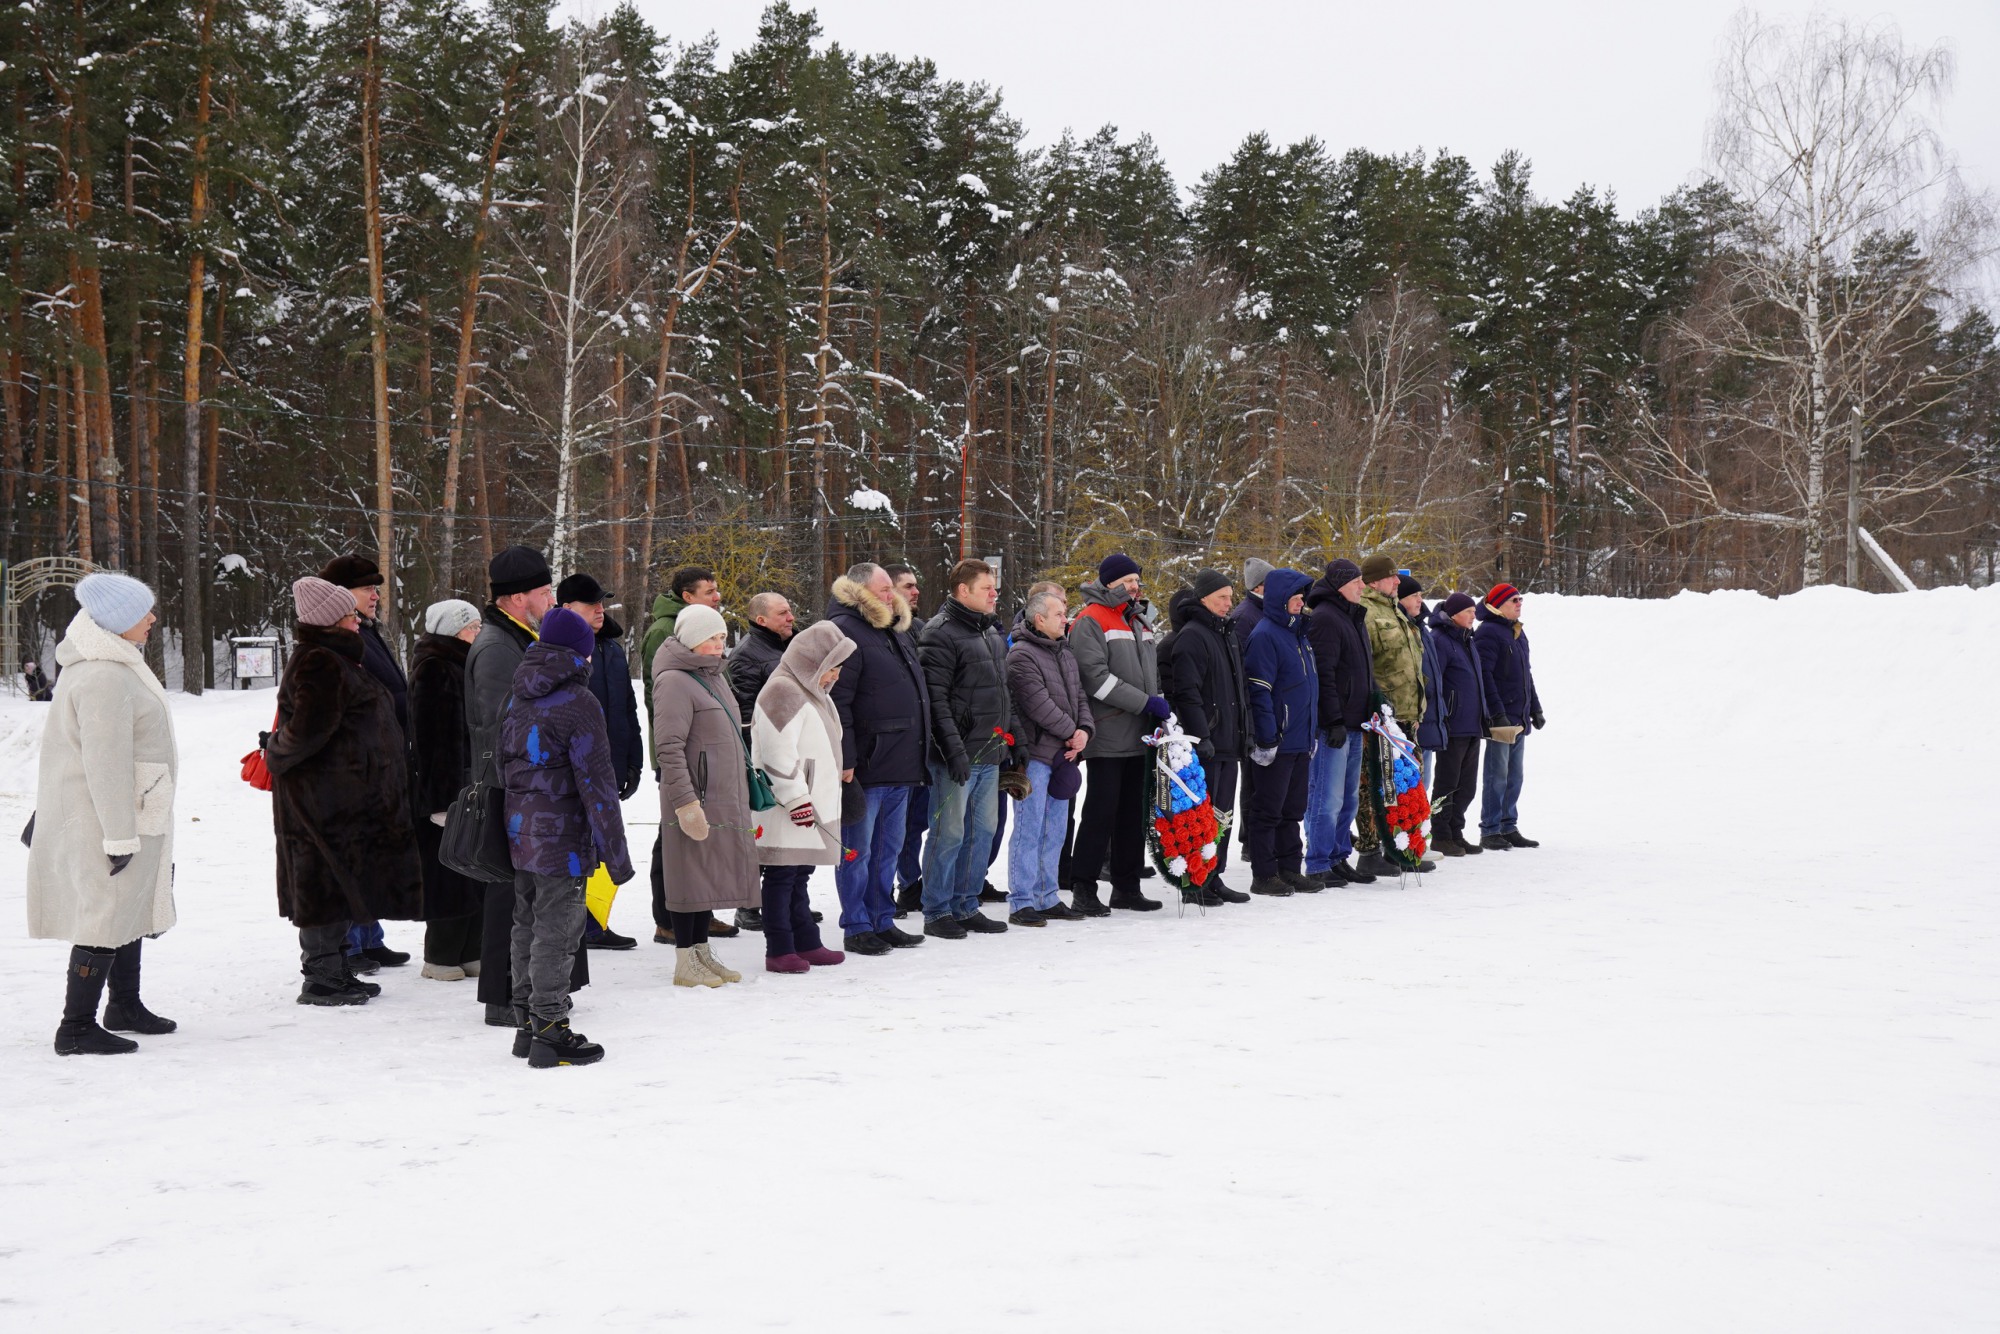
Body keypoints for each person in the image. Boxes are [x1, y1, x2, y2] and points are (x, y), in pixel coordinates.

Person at [26, 573, 178, 1054]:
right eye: (143, 612)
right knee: (103, 914)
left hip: (131, 810)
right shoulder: (103, 675)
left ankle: (124, 1005)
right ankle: (75, 1028)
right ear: (115, 621)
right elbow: (104, 761)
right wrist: (119, 835)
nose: (153, 618)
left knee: (126, 909)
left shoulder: (114, 663)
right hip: (108, 818)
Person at [267, 577, 424, 1005]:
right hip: (322, 799)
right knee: (322, 884)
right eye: (350, 614)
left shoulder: (337, 657)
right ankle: (320, 977)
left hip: (343, 796)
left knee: (340, 884)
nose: (358, 620)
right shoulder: (320, 661)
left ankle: (336, 969)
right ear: (331, 620)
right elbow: (304, 732)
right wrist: (274, 752)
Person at [497, 607, 634, 1067]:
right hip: (562, 837)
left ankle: (526, 1024)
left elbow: (501, 765)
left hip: (519, 830)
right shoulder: (579, 702)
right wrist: (617, 856)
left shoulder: (518, 695)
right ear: (581, 653)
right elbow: (598, 785)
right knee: (558, 929)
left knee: (526, 923)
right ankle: (551, 1029)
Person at [465, 545, 587, 1026]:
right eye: (543, 591)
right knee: (511, 899)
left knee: (527, 898)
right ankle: (507, 997)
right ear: (516, 598)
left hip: (524, 791)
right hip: (512, 790)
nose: (550, 599)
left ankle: (531, 993)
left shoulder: (516, 636)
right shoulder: (498, 646)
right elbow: (503, 727)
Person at [825, 563, 930, 956]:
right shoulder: (846, 630)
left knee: (888, 848)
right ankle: (856, 924)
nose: (892, 596)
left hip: (901, 760)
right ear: (860, 592)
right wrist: (846, 757)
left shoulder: (893, 630)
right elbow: (838, 702)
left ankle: (882, 918)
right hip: (867, 764)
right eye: (883, 589)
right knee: (858, 850)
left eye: (891, 590)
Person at [652, 602, 759, 986]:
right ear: (694, 640)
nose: (720, 643)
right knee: (687, 874)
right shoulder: (674, 681)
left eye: (721, 636)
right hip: (694, 796)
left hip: (719, 794)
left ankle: (700, 951)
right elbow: (669, 746)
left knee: (704, 876)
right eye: (712, 638)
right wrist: (684, 802)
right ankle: (685, 959)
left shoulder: (712, 676)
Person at [318, 554, 412, 971]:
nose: (375, 596)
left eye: (377, 588)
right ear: (341, 595)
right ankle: (351, 945)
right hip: (356, 763)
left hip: (381, 757)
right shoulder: (334, 638)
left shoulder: (367, 631)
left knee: (373, 850)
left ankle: (369, 937)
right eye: (366, 589)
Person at [749, 621, 856, 972]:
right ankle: (779, 948)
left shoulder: (812, 692)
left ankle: (806, 940)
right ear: (812, 663)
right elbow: (778, 754)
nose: (835, 677)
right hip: (788, 806)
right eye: (831, 669)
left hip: (810, 804)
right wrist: (796, 800)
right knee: (782, 877)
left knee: (799, 875)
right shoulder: (783, 690)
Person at [1067, 553, 1170, 914]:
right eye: (1127, 580)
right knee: (1100, 812)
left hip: (1141, 734)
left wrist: (1156, 703)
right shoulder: (1090, 619)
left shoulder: (1138, 619)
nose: (1134, 585)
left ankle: (1126, 887)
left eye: (1136, 579)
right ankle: (1084, 886)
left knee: (1132, 814)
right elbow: (1095, 678)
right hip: (1109, 732)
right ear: (1108, 582)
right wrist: (1145, 703)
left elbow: (1150, 674)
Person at [641, 565, 738, 943]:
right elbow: (661, 699)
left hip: (708, 756)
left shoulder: (705, 632)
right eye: (709, 591)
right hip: (683, 755)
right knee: (675, 836)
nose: (717, 596)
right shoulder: (666, 631)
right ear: (687, 596)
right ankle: (668, 917)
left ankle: (702, 908)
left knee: (702, 838)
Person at [917, 559, 1013, 938]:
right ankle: (937, 909)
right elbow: (936, 701)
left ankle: (966, 902)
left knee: (983, 831)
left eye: (994, 589)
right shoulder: (940, 633)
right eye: (987, 588)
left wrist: (1013, 738)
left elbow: (1005, 694)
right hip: (955, 757)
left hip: (990, 751)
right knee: (949, 832)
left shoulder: (989, 633)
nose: (994, 594)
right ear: (963, 591)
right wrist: (952, 751)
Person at [557, 573, 642, 951]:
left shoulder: (610, 648)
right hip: (574, 771)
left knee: (604, 845)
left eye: (602, 603)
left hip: (610, 764)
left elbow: (626, 708)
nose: (600, 609)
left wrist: (633, 762)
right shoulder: (558, 649)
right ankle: (579, 922)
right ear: (565, 609)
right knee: (577, 847)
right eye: (591, 604)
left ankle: (593, 920)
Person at [1160, 571, 1251, 905]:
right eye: (1222, 597)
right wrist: (1201, 735)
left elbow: (1240, 691)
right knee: (1202, 815)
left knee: (1223, 814)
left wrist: (1247, 732)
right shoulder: (1193, 636)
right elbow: (1188, 693)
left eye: (1230, 597)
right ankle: (1195, 878)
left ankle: (1215, 874)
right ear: (1203, 599)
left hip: (1231, 739)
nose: (1229, 603)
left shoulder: (1227, 634)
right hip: (1208, 743)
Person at [1004, 586, 1093, 926]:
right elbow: (1037, 704)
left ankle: (1047, 895)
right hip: (1037, 756)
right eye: (1058, 614)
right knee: (1030, 827)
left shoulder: (1064, 652)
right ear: (1039, 618)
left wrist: (1084, 730)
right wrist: (1072, 732)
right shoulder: (1022, 654)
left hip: (1064, 756)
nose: (1065, 619)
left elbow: (1080, 696)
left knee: (1055, 829)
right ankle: (1022, 900)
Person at [408, 599, 485, 980]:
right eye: (472, 627)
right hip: (446, 791)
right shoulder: (437, 668)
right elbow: (433, 740)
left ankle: (469, 949)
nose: (478, 633)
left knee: (472, 870)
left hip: (468, 785)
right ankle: (440, 956)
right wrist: (439, 800)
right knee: (448, 875)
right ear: (454, 631)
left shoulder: (463, 665)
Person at [1241, 568, 1320, 897]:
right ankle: (1264, 873)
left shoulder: (1299, 634)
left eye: (1303, 596)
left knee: (1293, 810)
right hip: (1278, 741)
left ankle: (1290, 868)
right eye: (1296, 596)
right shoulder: (1265, 635)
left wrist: (1311, 732)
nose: (1302, 601)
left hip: (1301, 739)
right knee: (1268, 810)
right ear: (1278, 599)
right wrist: (1268, 738)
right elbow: (1259, 690)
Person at [1302, 560, 1378, 887]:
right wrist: (1331, 719)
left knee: (1349, 798)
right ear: (1341, 585)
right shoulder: (1326, 619)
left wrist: (1373, 706)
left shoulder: (1352, 616)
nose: (1363, 587)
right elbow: (1325, 675)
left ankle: (1337, 856)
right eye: (1358, 582)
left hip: (1356, 723)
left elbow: (1362, 672)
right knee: (1327, 798)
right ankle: (1318, 861)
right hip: (1333, 727)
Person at [1355, 553, 1430, 879]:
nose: (1398, 581)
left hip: (1406, 714)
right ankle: (1371, 850)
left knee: (1403, 787)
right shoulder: (1368, 613)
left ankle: (1399, 846)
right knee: (1374, 786)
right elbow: (1366, 665)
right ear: (1374, 581)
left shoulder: (1393, 610)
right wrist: (1378, 707)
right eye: (1391, 576)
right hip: (1382, 717)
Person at [724, 589, 794, 932]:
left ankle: (788, 900)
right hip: (762, 757)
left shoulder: (787, 648)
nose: (791, 617)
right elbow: (745, 712)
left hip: (791, 750)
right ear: (761, 619)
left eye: (790, 611)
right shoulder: (747, 655)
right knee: (760, 831)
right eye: (783, 613)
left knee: (787, 831)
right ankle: (748, 904)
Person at [1474, 582, 1544, 851]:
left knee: (1515, 775)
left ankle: (1508, 825)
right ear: (1499, 604)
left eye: (1520, 599)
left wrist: (1535, 708)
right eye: (1514, 600)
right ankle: (1490, 829)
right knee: (1497, 774)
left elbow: (1526, 675)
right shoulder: (1489, 633)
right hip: (1501, 717)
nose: (1519, 603)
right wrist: (1497, 712)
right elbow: (1485, 677)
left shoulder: (1516, 632)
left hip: (1519, 715)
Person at [1427, 592, 1490, 857]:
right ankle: (1440, 835)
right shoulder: (1440, 640)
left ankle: (1456, 832)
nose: (1473, 616)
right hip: (1452, 725)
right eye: (1468, 612)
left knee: (1466, 786)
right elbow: (1434, 681)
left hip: (1472, 725)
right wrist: (1442, 715)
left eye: (1474, 612)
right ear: (1453, 614)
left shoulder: (1468, 640)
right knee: (1447, 782)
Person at [885, 563, 930, 914]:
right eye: (908, 586)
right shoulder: (878, 632)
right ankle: (900, 885)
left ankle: (911, 883)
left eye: (916, 586)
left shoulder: (920, 629)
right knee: (891, 829)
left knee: (915, 821)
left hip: (923, 742)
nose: (915, 592)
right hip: (891, 748)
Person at [1404, 575, 1447, 787]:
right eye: (1414, 595)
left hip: (1428, 718)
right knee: (1412, 788)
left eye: (1421, 595)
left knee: (1423, 786)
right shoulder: (1403, 629)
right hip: (1410, 722)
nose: (1420, 600)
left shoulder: (1423, 629)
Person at [1229, 557, 1272, 641]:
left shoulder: (1268, 607)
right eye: (1271, 581)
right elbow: (1240, 652)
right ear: (1256, 587)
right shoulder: (1243, 617)